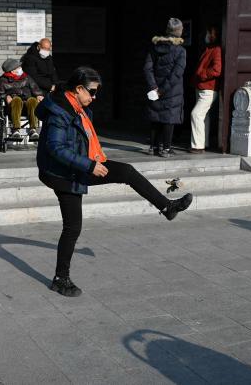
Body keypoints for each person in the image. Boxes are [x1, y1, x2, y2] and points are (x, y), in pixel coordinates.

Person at [36, 66, 193, 297]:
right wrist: (89, 165)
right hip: (62, 173)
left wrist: (90, 162)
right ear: (78, 89)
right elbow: (55, 148)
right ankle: (61, 279)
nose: (94, 97)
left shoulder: (77, 106)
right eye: (91, 92)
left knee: (126, 172)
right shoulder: (60, 110)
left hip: (80, 165)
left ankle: (167, 207)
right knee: (72, 228)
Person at [143, 17, 187, 158]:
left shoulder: (154, 47)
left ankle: (153, 147)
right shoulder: (180, 51)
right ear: (178, 32)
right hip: (171, 91)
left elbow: (147, 68)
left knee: (156, 116)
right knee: (169, 118)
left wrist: (154, 87)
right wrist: (162, 90)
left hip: (155, 89)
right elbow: (177, 74)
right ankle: (166, 149)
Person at [0, 58, 44, 141]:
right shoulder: (2, 81)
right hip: (13, 107)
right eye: (18, 67)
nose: (20, 69)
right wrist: (5, 96)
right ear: (12, 71)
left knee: (32, 100)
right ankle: (15, 129)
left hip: (27, 107)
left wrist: (39, 95)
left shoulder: (27, 77)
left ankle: (33, 130)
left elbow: (36, 90)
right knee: (16, 99)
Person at [190, 26, 222, 153]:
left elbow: (217, 70)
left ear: (213, 35)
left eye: (208, 33)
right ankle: (204, 143)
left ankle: (198, 146)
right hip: (202, 87)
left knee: (196, 114)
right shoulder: (209, 49)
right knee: (204, 116)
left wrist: (201, 73)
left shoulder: (216, 50)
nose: (206, 35)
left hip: (208, 89)